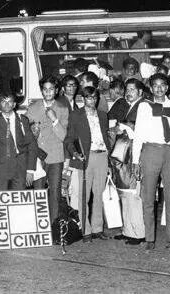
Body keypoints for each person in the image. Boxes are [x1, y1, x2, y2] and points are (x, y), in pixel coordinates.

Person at [132, 73, 170, 250]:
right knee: (148, 198)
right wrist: (135, 160)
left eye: (163, 85)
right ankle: (149, 239)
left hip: (169, 152)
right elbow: (138, 133)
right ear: (151, 88)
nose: (159, 88)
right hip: (149, 152)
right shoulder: (144, 106)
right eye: (155, 85)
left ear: (168, 87)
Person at [0, 92, 38, 246]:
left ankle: (16, 233)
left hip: (20, 168)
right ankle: (0, 235)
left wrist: (30, 170)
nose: (6, 104)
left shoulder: (22, 120)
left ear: (15, 104)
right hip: (0, 169)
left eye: (10, 101)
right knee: (0, 203)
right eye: (3, 101)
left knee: (18, 201)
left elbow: (32, 146)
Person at [64, 86, 111, 242]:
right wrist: (75, 153)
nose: (93, 100)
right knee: (84, 195)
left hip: (102, 156)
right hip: (86, 157)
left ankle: (98, 229)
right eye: (89, 97)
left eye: (95, 97)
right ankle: (85, 230)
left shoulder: (104, 116)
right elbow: (69, 139)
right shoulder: (76, 115)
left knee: (99, 194)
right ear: (83, 99)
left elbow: (106, 137)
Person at [26, 76, 69, 224]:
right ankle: (40, 225)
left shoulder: (63, 109)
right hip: (37, 156)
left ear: (56, 90)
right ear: (42, 91)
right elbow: (25, 132)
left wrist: (54, 119)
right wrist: (32, 130)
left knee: (55, 192)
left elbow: (64, 136)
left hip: (56, 156)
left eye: (51, 89)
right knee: (38, 191)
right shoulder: (32, 107)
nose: (48, 92)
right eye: (45, 89)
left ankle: (54, 224)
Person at [112, 78, 146, 245]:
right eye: (127, 89)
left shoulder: (143, 106)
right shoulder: (128, 106)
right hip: (124, 155)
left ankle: (138, 233)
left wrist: (124, 127)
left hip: (134, 154)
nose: (129, 92)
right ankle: (127, 229)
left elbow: (140, 129)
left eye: (132, 89)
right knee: (125, 193)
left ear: (140, 92)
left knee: (133, 194)